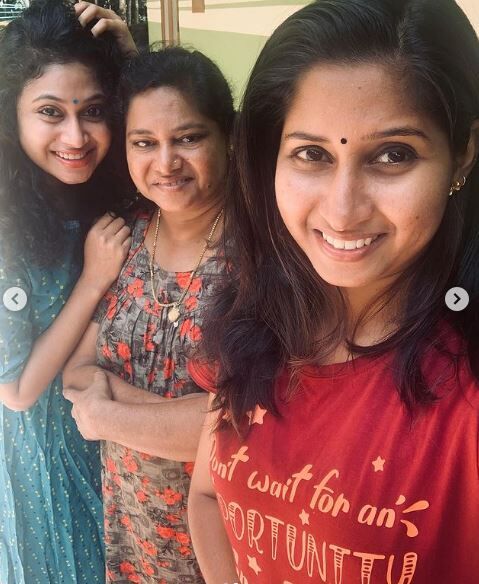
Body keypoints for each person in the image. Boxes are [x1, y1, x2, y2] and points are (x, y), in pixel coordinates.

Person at [187, 0, 479, 583]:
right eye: (312, 154)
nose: (343, 210)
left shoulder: (465, 395)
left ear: (463, 155)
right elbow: (207, 495)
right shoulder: (257, 321)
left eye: (392, 155)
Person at [63, 47, 235, 583]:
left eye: (188, 137)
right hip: (134, 533)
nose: (166, 163)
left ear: (227, 136)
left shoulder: (264, 254)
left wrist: (108, 416)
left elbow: (244, 432)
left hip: (223, 544)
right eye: (145, 142)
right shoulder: (126, 236)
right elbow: (75, 372)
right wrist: (180, 415)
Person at [0, 1, 136, 582]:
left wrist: (136, 68)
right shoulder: (8, 224)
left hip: (119, 440)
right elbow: (18, 390)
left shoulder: (111, 191)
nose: (76, 136)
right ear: (13, 117)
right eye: (50, 113)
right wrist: (93, 279)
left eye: (96, 111)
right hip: (45, 463)